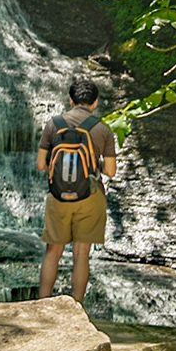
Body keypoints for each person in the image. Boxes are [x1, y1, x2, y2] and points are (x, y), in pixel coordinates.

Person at [36, 79, 117, 303]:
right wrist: (94, 165)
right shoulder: (103, 129)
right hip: (90, 197)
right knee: (81, 254)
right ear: (95, 103)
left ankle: (42, 304)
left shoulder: (53, 125)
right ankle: (77, 308)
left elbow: (41, 164)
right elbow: (110, 171)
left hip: (58, 197)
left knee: (53, 252)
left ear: (70, 100)